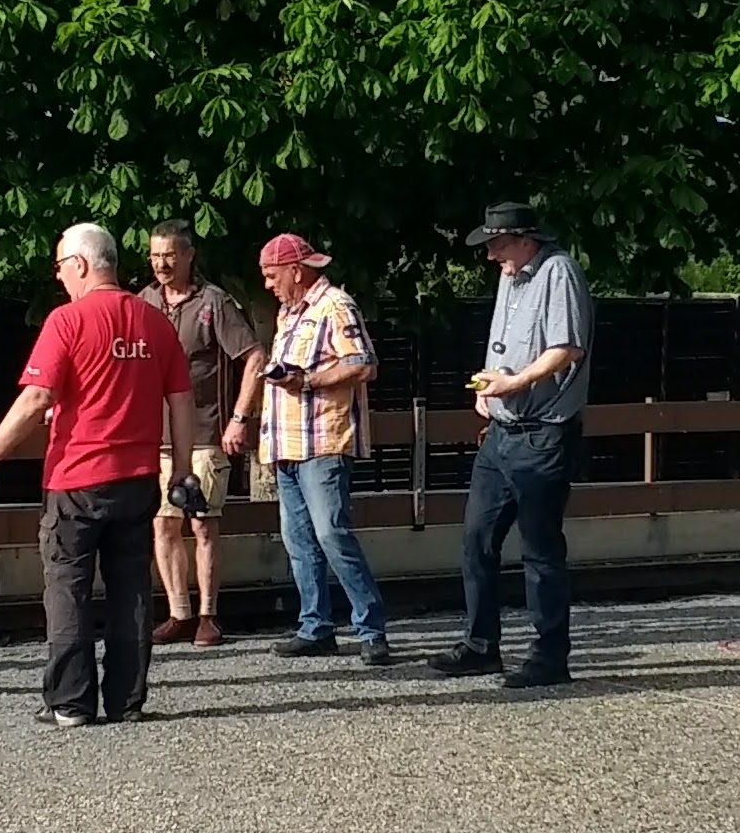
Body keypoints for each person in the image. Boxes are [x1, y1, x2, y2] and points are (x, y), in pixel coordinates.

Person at [0, 224, 195, 726]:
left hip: (77, 477)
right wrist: (183, 470)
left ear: (80, 264)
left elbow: (37, 397)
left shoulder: (67, 320)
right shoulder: (155, 321)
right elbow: (182, 402)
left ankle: (71, 702)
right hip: (138, 476)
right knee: (131, 590)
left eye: (60, 266)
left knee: (67, 589)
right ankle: (126, 701)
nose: (59, 276)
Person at [430, 199, 590, 687]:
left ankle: (549, 657)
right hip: (502, 431)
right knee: (477, 538)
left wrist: (514, 383)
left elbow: (567, 348)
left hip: (542, 431)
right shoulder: (511, 278)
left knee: (540, 548)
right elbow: (505, 345)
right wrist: (489, 385)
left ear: (525, 240)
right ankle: (481, 646)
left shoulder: (559, 272)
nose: (491, 255)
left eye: (497, 245)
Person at [246, 230, 392, 663]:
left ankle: (371, 629)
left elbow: (363, 364)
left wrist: (307, 381)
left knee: (331, 534)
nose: (268, 285)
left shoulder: (335, 305)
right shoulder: (288, 314)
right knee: (300, 541)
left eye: (272, 276)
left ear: (296, 271)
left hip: (324, 441)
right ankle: (315, 627)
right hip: (288, 443)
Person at [141, 220, 265, 647]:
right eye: (155, 256)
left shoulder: (214, 302)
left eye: (169, 256)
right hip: (155, 436)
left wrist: (239, 418)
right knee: (163, 525)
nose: (161, 264)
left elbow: (254, 357)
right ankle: (178, 614)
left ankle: (208, 616)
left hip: (205, 433)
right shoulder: (143, 302)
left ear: (188, 256)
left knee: (203, 525)